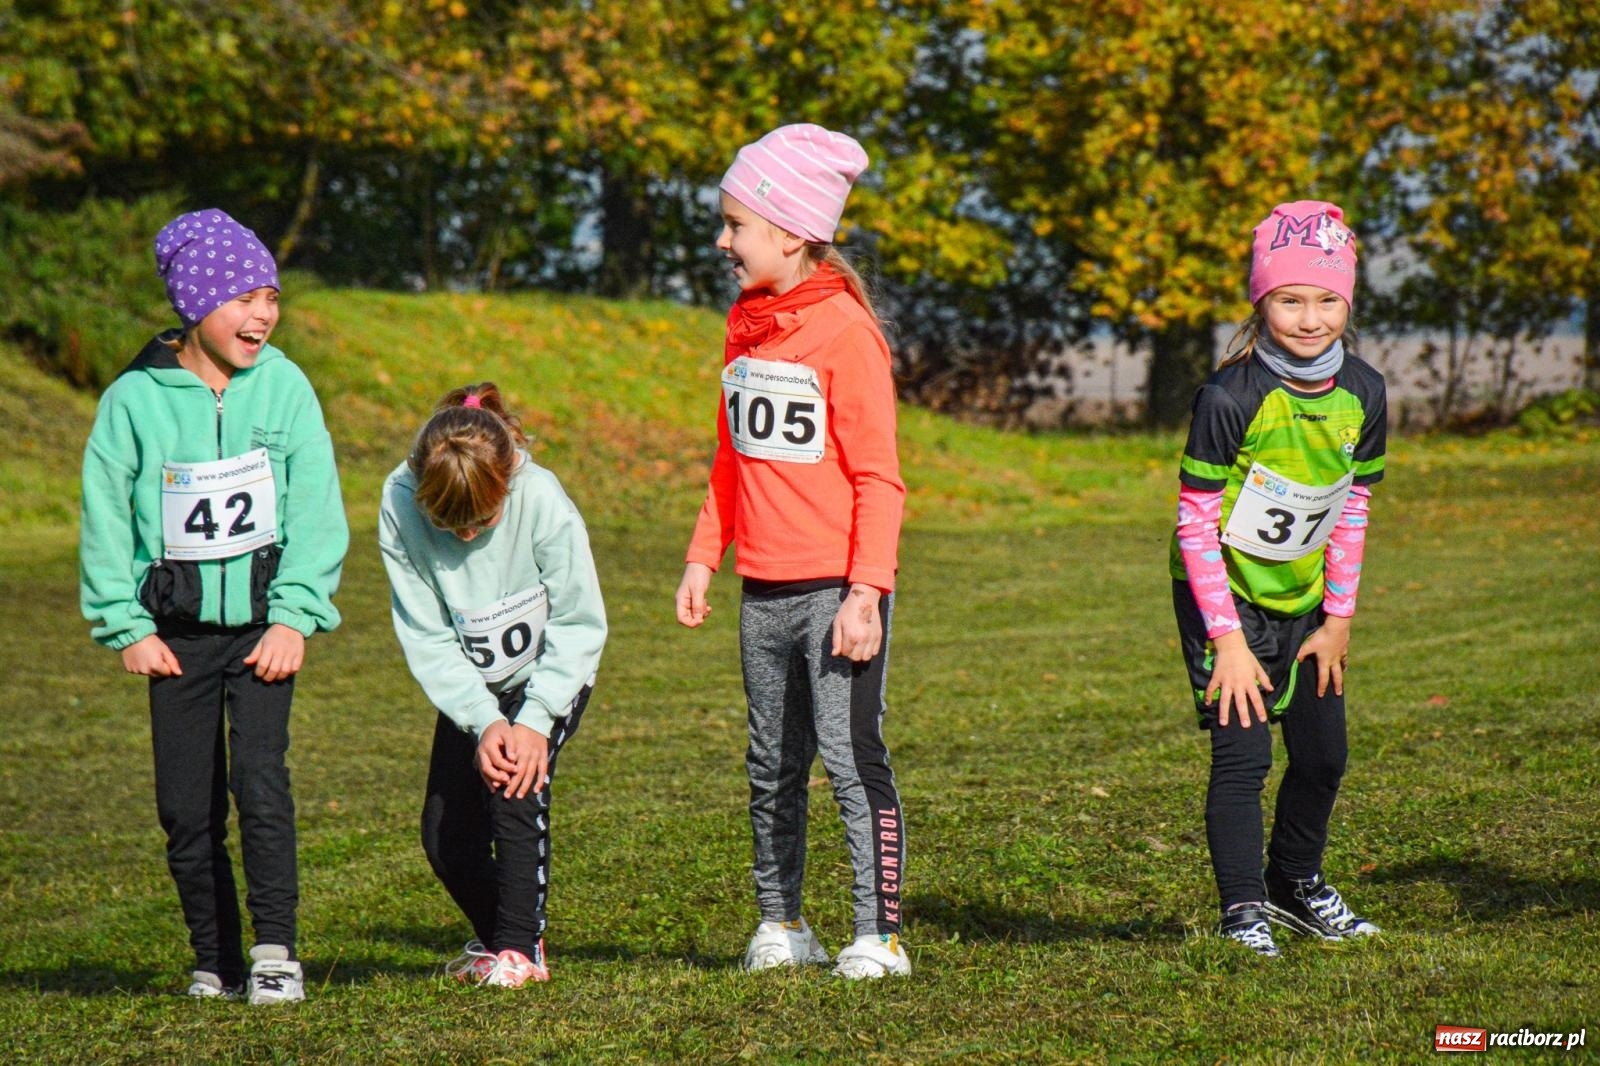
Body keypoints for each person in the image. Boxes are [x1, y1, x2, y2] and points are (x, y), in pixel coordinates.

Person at [80, 209, 348, 1002]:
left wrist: (297, 614)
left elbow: (317, 510)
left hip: (267, 634)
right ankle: (215, 960)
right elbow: (104, 518)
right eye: (246, 297)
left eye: (272, 297)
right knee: (185, 808)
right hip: (176, 639)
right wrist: (126, 625)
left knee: (261, 786)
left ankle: (275, 956)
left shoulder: (287, 386)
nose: (264, 314)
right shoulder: (132, 401)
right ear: (197, 302)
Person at [675, 123, 911, 979]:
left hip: (836, 594)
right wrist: (707, 554)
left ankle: (876, 934)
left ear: (790, 231)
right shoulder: (747, 327)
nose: (722, 241)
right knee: (771, 764)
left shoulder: (846, 333)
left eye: (735, 224)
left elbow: (881, 478)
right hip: (761, 592)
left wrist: (865, 593)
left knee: (851, 762)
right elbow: (731, 455)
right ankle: (783, 924)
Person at [1170, 200, 1387, 957]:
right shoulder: (1229, 397)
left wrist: (1339, 618)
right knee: (1245, 757)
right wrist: (1226, 640)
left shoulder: (1365, 391)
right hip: (1223, 601)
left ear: (1348, 301)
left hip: (1308, 603)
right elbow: (1193, 522)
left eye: (1327, 299)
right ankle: (1242, 912)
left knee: (1324, 755)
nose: (1309, 317)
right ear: (1261, 300)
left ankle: (1296, 887)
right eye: (1290, 299)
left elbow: (1352, 505)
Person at [379, 383, 606, 988]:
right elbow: (425, 633)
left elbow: (580, 622)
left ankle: (520, 952)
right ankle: (500, 936)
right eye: (449, 526)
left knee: (513, 790)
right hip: (474, 687)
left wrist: (533, 720)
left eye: (484, 521)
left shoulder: (541, 498)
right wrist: (485, 720)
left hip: (551, 671)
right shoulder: (398, 501)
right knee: (444, 836)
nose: (469, 538)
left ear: (506, 486)